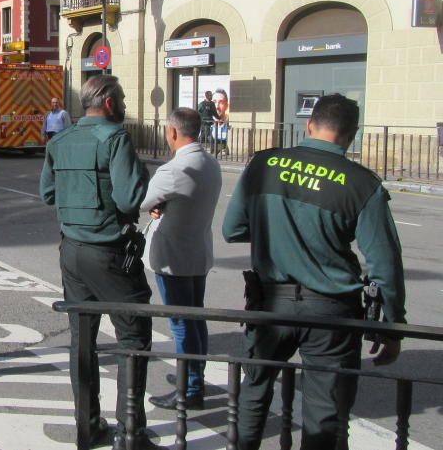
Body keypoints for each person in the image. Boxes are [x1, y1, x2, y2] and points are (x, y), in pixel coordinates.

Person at [223, 93, 406, 450]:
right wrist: (392, 327)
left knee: (255, 389)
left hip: (269, 302)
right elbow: (384, 263)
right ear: (352, 134)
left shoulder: (264, 165)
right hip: (331, 312)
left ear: (309, 125)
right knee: (325, 411)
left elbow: (232, 229)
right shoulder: (361, 183)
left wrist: (273, 231)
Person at [40, 75, 163, 450]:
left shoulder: (60, 140)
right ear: (109, 102)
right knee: (133, 336)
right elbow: (129, 200)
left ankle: (88, 428)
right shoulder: (115, 138)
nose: (125, 105)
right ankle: (131, 434)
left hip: (72, 252)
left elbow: (48, 193)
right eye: (123, 98)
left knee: (83, 341)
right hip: (109, 252)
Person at [142, 107, 222, 411]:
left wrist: (156, 206)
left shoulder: (173, 170)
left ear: (173, 132)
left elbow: (142, 201)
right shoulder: (210, 163)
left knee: (181, 323)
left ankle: (189, 390)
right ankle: (195, 378)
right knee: (194, 318)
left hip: (173, 257)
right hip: (197, 251)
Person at [213, 90, 230, 156]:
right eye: (214, 102)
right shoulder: (206, 125)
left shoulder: (229, 124)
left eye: (221, 102)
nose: (217, 107)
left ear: (227, 105)